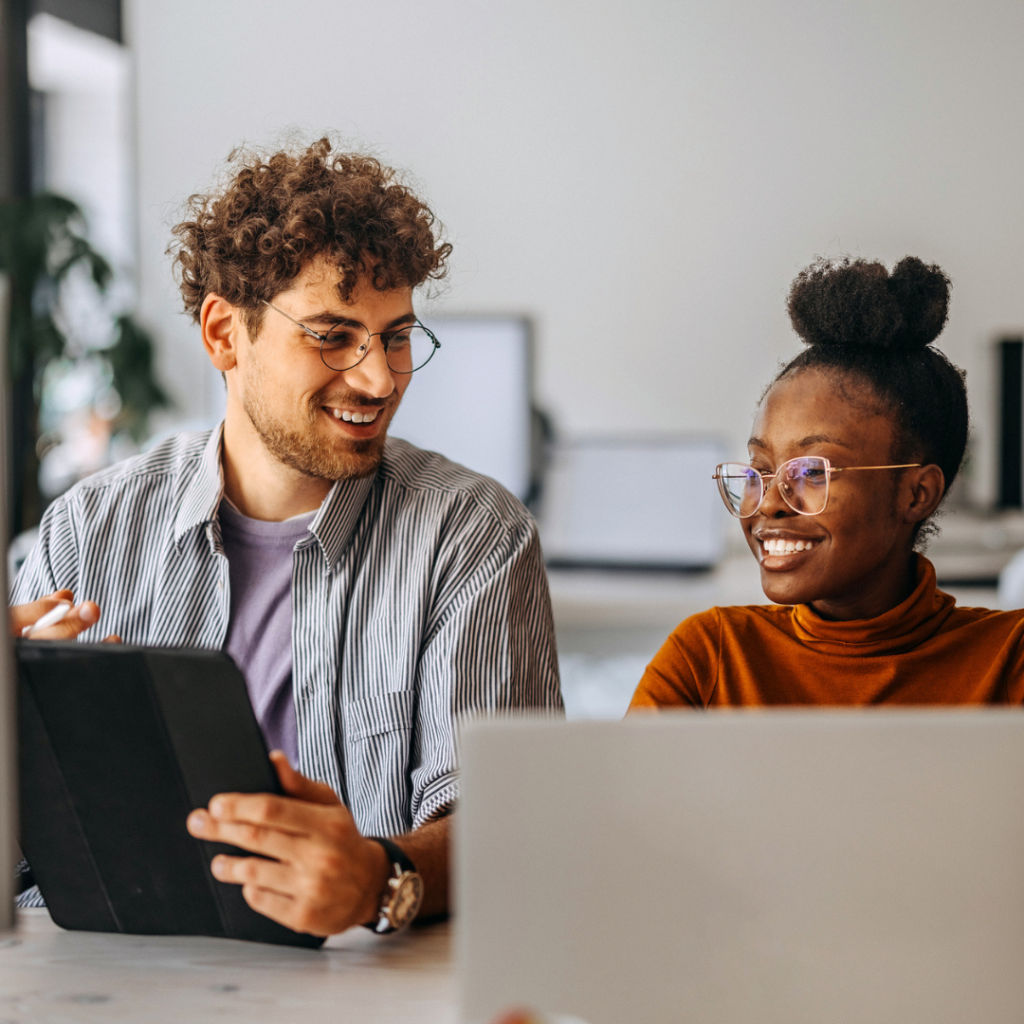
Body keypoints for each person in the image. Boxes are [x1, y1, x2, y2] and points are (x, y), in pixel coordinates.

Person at [12, 138, 562, 935]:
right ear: (224, 335)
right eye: (333, 335)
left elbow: (513, 829)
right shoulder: (88, 528)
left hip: (354, 990)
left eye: (397, 336)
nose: (378, 379)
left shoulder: (473, 536)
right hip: (98, 978)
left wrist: (381, 876)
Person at [630, 255, 1024, 711]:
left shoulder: (1009, 662)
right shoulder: (711, 657)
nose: (770, 503)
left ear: (917, 494)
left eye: (813, 472)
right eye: (760, 470)